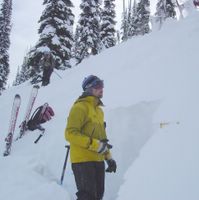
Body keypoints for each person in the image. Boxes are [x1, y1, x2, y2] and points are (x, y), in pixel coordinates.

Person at [65, 75, 117, 200]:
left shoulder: (99, 111)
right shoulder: (79, 107)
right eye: (98, 86)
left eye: (102, 85)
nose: (101, 88)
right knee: (87, 197)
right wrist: (95, 145)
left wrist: (109, 158)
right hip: (82, 160)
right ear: (89, 88)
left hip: (98, 160)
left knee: (98, 196)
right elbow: (70, 133)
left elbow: (102, 139)